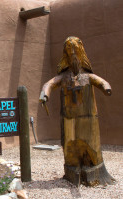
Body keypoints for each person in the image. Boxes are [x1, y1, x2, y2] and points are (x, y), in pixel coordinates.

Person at [39, 36, 115, 186]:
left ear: (80, 51)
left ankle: (94, 169)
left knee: (91, 146)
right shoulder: (64, 77)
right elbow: (50, 83)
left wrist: (106, 87)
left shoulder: (87, 76)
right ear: (65, 54)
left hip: (89, 119)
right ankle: (72, 170)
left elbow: (100, 81)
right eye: (69, 49)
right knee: (71, 147)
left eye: (75, 49)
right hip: (69, 119)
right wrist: (45, 94)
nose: (72, 52)